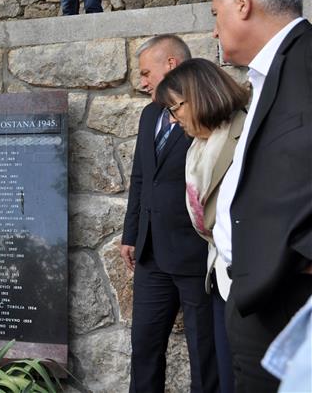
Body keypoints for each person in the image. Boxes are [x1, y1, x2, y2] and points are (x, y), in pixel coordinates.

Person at [210, 0, 312, 391]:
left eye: (216, 13)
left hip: (286, 298)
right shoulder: (267, 74)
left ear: (242, 2)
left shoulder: (306, 62)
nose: (214, 29)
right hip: (256, 294)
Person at [120, 34, 219, 393]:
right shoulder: (149, 115)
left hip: (194, 255)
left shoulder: (207, 110)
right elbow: (141, 177)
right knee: (144, 348)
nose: (142, 82)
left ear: (171, 65)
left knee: (204, 353)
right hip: (150, 256)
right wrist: (131, 234)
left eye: (147, 72)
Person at [154, 58, 250, 393]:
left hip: (253, 282)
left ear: (197, 97)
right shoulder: (198, 148)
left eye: (175, 108)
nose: (173, 117)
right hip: (221, 279)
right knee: (225, 377)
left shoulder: (245, 134)